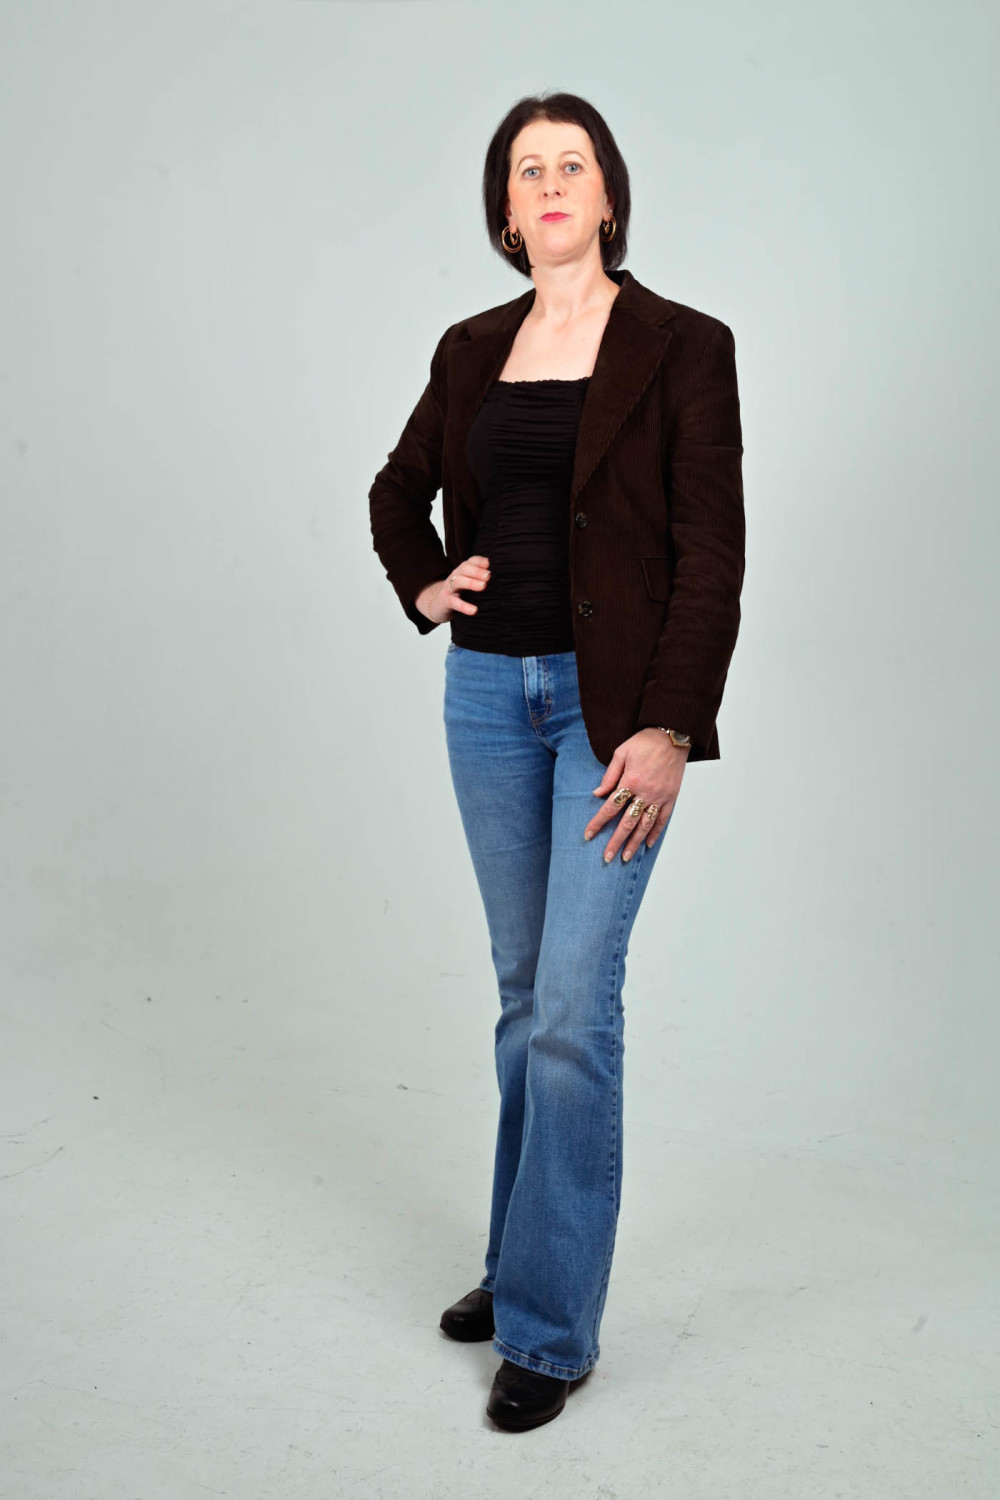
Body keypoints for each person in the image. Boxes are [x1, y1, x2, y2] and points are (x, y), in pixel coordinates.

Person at [368, 91, 745, 1432]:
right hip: (487, 696)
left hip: (612, 712)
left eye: (569, 163)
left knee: (579, 1006)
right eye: (526, 169)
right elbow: (395, 491)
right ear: (506, 209)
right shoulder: (472, 347)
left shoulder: (685, 346)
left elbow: (712, 552)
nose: (548, 184)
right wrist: (428, 583)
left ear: (608, 193)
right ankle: (517, 1258)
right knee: (527, 999)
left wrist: (669, 725)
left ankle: (547, 1328)